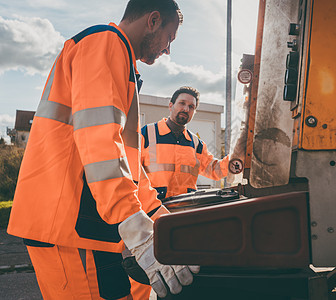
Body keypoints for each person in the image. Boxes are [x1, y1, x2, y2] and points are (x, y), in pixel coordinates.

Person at [7, 1, 198, 299]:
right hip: (69, 224)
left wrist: (158, 219)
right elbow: (100, 143)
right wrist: (135, 227)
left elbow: (128, 164)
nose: (167, 50)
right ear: (153, 20)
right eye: (169, 38)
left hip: (87, 225)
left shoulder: (119, 59)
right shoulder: (104, 44)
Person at [131, 86, 231, 299]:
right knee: (144, 277)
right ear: (171, 105)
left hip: (183, 220)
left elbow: (213, 169)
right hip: (151, 218)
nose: (186, 108)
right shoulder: (145, 134)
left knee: (181, 276)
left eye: (191, 106)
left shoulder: (195, 143)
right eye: (182, 103)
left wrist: (233, 162)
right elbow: (131, 173)